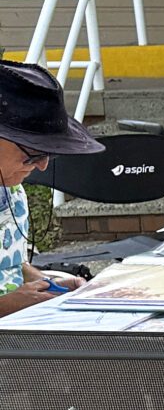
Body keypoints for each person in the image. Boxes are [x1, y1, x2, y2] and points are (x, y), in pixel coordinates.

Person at [0, 59, 97, 318]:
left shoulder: (10, 189)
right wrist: (8, 304)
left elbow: (8, 263)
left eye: (49, 154)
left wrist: (46, 284)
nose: (42, 165)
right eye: (32, 153)